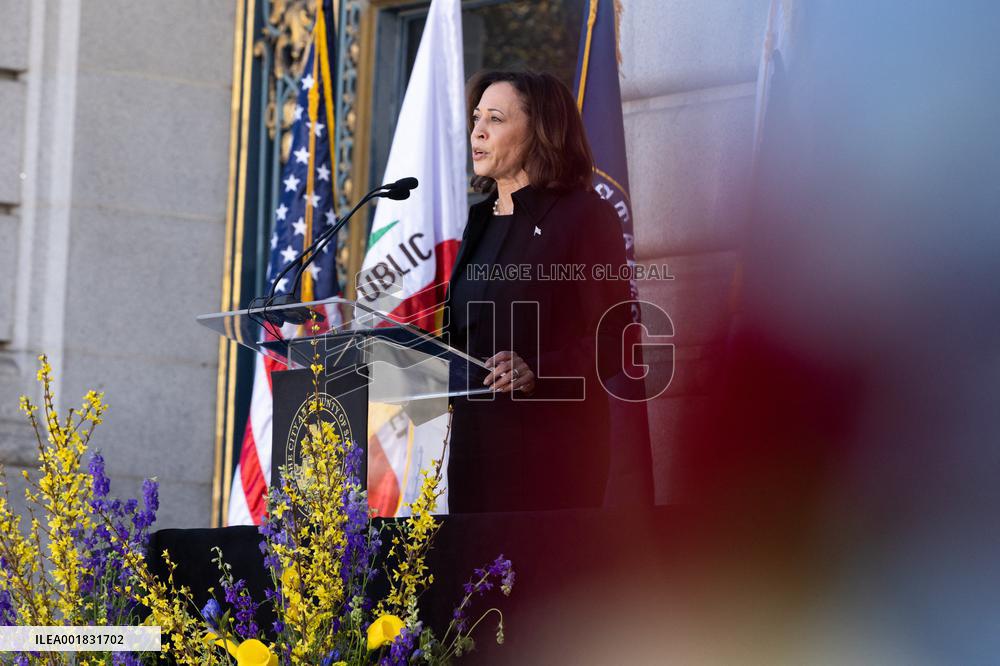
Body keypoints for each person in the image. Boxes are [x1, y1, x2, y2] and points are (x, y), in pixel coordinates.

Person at [445, 70, 632, 513]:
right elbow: (465, 338)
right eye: (476, 119)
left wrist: (537, 372)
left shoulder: (584, 217)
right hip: (475, 452)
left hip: (553, 454)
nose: (478, 131)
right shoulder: (480, 222)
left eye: (495, 119)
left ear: (540, 131)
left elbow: (618, 340)